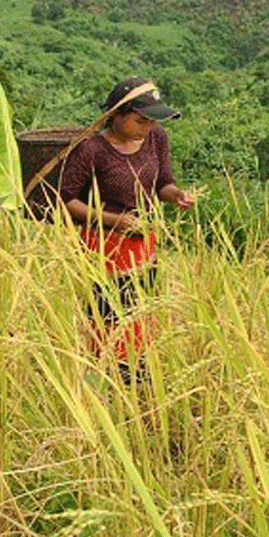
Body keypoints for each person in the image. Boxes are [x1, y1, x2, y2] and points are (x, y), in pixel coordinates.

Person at [58, 76, 194, 379]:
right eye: (139, 121)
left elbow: (163, 184)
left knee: (143, 314)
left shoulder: (157, 138)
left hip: (144, 241)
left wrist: (177, 196)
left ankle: (139, 375)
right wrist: (114, 220)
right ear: (116, 116)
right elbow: (65, 201)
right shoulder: (92, 150)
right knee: (109, 317)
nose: (147, 128)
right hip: (104, 246)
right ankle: (106, 377)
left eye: (151, 121)